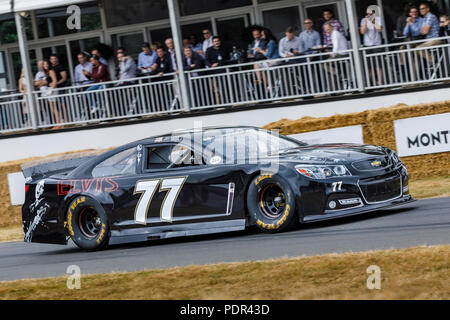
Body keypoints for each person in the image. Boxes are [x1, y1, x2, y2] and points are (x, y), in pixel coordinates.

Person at [415, 2, 442, 78]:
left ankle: (433, 60)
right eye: (420, 9)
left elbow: (424, 31)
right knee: (414, 52)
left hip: (435, 40)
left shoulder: (430, 17)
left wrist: (422, 30)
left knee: (419, 48)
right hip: (429, 41)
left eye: (423, 8)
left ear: (428, 9)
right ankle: (416, 77)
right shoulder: (424, 19)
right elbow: (419, 31)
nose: (421, 10)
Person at [360, 7, 384, 86]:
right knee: (369, 67)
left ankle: (381, 84)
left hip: (377, 44)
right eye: (368, 14)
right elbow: (362, 32)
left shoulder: (378, 19)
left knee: (378, 65)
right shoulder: (363, 20)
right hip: (367, 45)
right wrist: (366, 22)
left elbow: (380, 30)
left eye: (371, 14)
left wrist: (373, 21)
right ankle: (373, 84)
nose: (369, 15)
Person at [323, 22, 349, 90]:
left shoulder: (335, 33)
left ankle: (338, 74)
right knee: (328, 63)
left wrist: (333, 54)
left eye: (328, 29)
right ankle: (337, 74)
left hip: (342, 54)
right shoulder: (334, 33)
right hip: (341, 53)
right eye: (326, 30)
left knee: (325, 64)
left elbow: (336, 46)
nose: (327, 31)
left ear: (332, 28)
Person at [41, 60, 62, 127]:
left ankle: (59, 123)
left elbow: (55, 81)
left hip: (52, 90)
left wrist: (51, 89)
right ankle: (58, 122)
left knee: (54, 107)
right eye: (44, 64)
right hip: (50, 90)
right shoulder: (47, 72)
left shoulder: (51, 71)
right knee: (53, 108)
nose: (45, 65)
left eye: (47, 64)